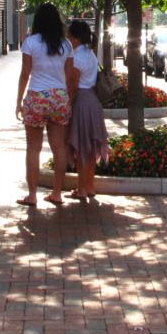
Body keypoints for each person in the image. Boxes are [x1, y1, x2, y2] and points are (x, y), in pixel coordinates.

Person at [15, 3, 73, 207]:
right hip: (59, 97)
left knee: (33, 148)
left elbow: (25, 74)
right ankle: (57, 193)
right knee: (58, 147)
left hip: (36, 96)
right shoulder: (66, 45)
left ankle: (32, 195)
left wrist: (19, 101)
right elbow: (68, 75)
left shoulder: (30, 43)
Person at [66, 20, 109, 204]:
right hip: (94, 102)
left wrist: (68, 102)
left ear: (74, 38)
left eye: (69, 35)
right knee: (91, 147)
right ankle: (89, 186)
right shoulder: (90, 53)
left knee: (82, 146)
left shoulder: (77, 56)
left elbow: (74, 85)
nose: (68, 39)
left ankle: (81, 188)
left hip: (82, 102)